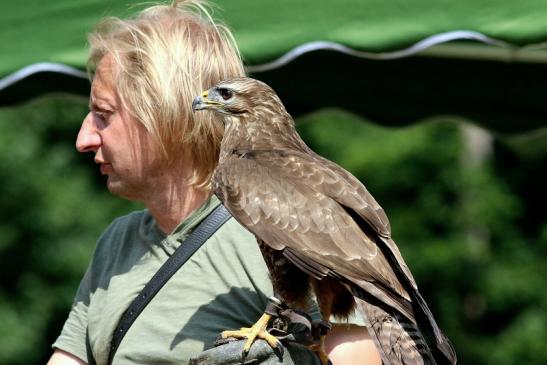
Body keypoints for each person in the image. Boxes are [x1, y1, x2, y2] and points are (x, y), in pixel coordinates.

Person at [47, 1, 382, 364]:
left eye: (103, 115)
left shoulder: (275, 223)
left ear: (166, 117)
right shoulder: (117, 242)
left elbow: (357, 355)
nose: (84, 138)